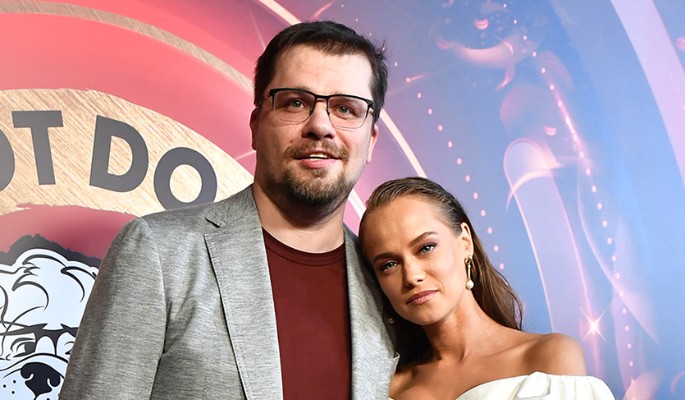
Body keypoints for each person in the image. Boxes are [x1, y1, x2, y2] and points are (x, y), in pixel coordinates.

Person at [61, 20, 397, 399]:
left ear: (371, 140)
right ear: (256, 124)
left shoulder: (390, 286)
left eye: (346, 109)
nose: (320, 125)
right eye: (295, 102)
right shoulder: (159, 253)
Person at [359, 177, 615, 399]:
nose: (412, 276)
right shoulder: (388, 390)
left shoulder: (547, 358)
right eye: (389, 265)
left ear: (465, 242)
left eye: (426, 248)